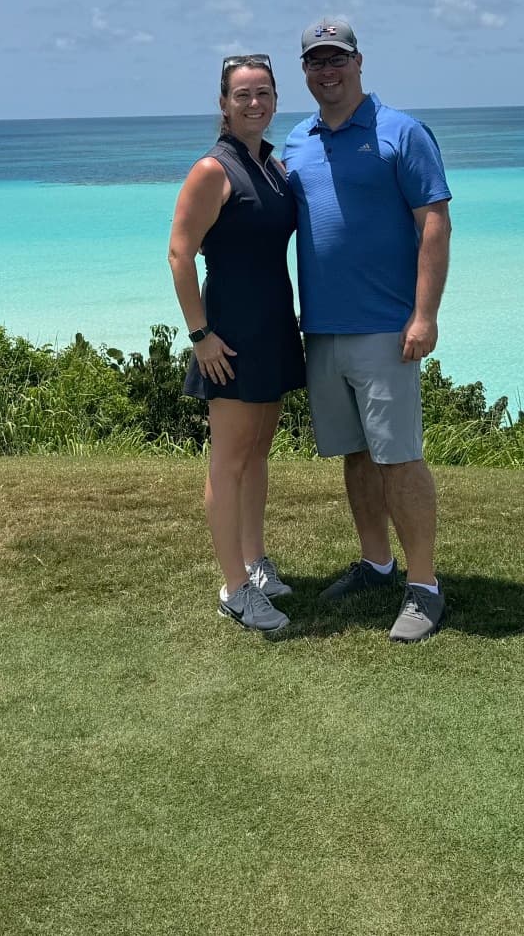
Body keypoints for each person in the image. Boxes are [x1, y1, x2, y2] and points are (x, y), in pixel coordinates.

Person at [282, 19, 452, 643]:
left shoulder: (401, 132)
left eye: (336, 59)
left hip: (387, 328)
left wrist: (424, 314)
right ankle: (377, 564)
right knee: (356, 455)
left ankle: (425, 586)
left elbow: (434, 223)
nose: (326, 71)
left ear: (358, 62)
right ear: (305, 71)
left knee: (399, 457)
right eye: (315, 62)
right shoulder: (297, 141)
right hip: (322, 329)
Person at [168, 54, 306, 633]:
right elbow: (179, 254)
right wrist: (200, 336)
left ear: (276, 100)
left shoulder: (272, 165)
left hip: (274, 325)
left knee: (256, 454)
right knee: (228, 461)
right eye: (242, 94)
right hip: (229, 333)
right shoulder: (212, 170)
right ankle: (233, 588)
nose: (255, 103)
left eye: (264, 93)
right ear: (223, 104)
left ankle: (253, 563)